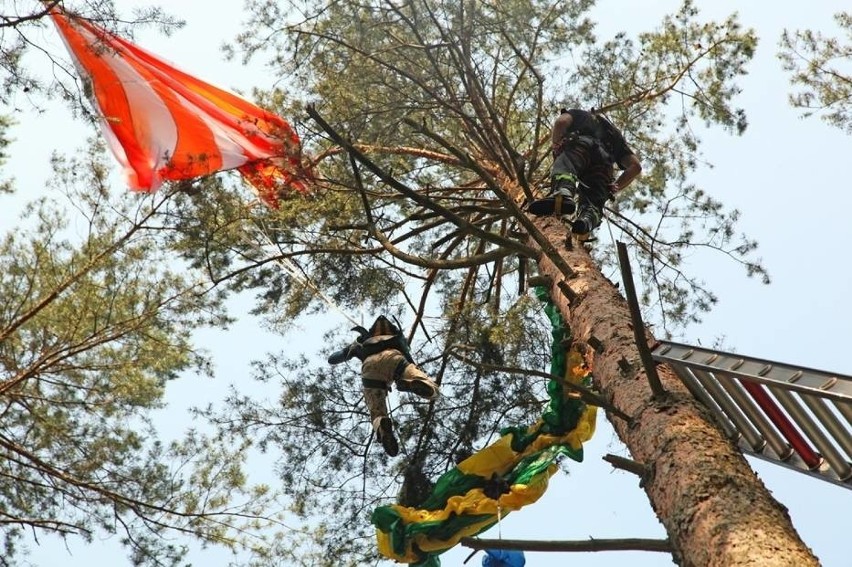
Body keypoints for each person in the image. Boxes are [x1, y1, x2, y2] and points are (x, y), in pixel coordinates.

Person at [327, 315, 439, 457]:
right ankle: (413, 384)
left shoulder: (361, 343)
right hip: (394, 359)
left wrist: (355, 344)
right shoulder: (398, 339)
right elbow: (409, 359)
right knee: (429, 387)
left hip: (369, 368)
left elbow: (332, 359)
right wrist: (407, 374)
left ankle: (382, 426)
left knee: (376, 411)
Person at [528, 108, 642, 239]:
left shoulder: (580, 115)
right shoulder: (614, 135)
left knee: (566, 165)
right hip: (604, 164)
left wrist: (556, 145)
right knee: (594, 198)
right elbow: (636, 167)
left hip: (579, 146)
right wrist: (614, 187)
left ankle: (563, 193)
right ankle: (588, 218)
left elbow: (561, 122)